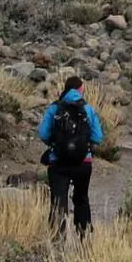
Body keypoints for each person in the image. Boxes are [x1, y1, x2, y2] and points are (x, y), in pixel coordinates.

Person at [38, 75, 105, 237]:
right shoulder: (88, 109)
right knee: (81, 198)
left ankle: (57, 239)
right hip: (83, 162)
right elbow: (98, 137)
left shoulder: (54, 108)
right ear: (80, 89)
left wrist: (56, 144)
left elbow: (43, 134)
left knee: (58, 201)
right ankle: (85, 234)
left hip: (58, 162)